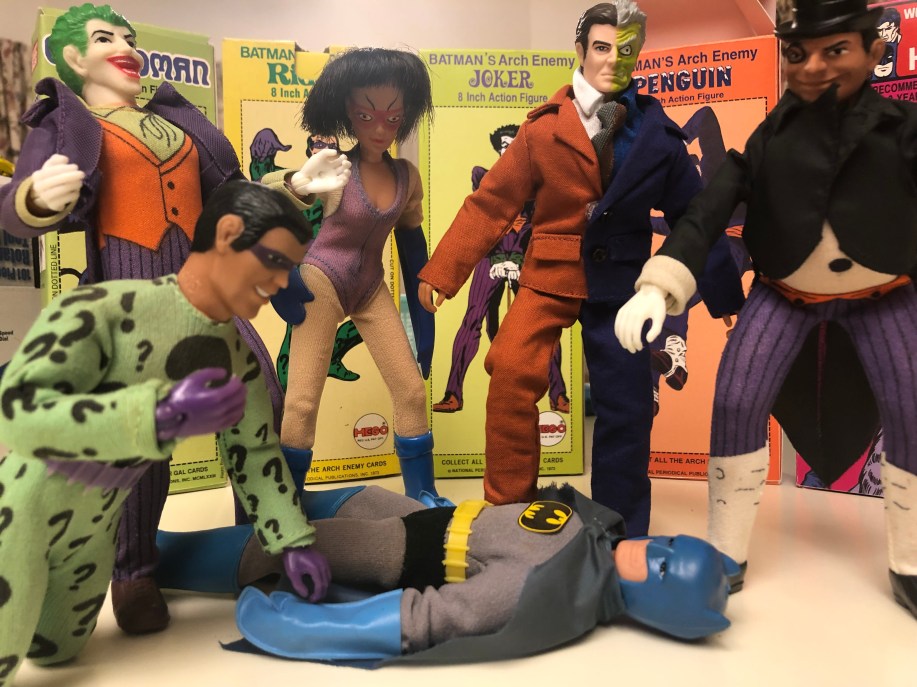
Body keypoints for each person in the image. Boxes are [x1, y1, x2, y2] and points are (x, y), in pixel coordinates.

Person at [0, 3, 348, 634]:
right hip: (129, 297)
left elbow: (233, 197)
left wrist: (295, 184)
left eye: (128, 37)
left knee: (260, 399)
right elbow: (18, 208)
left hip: (206, 288)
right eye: (105, 38)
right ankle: (133, 571)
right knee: (145, 438)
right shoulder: (69, 124)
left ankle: (259, 541)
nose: (124, 47)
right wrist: (34, 198)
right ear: (73, 58)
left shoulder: (178, 122)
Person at [614, 0, 917, 617]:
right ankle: (727, 551)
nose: (813, 67)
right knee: (735, 399)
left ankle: (909, 560)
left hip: (884, 296)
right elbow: (706, 210)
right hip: (783, 296)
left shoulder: (905, 130)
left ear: (873, 51)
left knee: (912, 406)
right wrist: (658, 285)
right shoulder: (769, 137)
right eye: (798, 53)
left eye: (835, 51)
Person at [418, 1, 743, 534]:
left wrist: (725, 294)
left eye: (626, 49)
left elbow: (695, 216)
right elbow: (492, 203)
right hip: (548, 274)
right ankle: (508, 512)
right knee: (511, 371)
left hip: (623, 285)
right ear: (580, 51)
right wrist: (443, 272)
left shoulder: (659, 137)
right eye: (601, 47)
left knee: (628, 399)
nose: (613, 60)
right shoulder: (543, 130)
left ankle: (620, 526)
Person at [0, 181, 332, 685]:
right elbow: (19, 411)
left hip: (95, 531)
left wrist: (291, 542)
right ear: (228, 233)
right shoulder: (105, 309)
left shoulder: (237, 359)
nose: (283, 281)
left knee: (57, 651)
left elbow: (254, 451)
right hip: (24, 508)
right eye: (275, 261)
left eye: (290, 268)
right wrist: (155, 417)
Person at [220, 484, 732, 662]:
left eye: (665, 567)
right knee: (300, 497)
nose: (654, 548)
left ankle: (175, 557)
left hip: (400, 549)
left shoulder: (546, 585)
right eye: (669, 542)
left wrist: (298, 627)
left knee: (278, 543)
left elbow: (429, 618)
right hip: (423, 513)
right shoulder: (595, 529)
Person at [269, 48, 442, 501]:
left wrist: (425, 308)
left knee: (411, 390)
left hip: (369, 287)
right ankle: (285, 504)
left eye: (393, 118)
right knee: (302, 401)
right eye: (367, 116)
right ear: (346, 111)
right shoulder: (334, 168)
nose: (381, 129)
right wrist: (297, 185)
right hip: (321, 281)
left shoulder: (406, 176)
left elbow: (412, 248)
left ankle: (422, 496)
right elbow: (266, 207)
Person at [433, 124, 568, 414]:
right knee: (472, 319)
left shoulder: (543, 185)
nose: (510, 150)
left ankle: (558, 394)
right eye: (505, 145)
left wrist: (518, 263)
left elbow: (542, 230)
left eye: (516, 144)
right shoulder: (484, 177)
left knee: (544, 322)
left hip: (527, 259)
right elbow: (483, 221)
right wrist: (497, 262)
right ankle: (453, 393)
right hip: (490, 258)